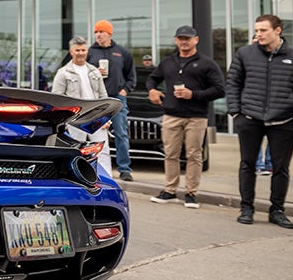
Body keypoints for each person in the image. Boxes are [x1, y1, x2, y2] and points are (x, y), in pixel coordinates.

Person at [225, 14, 293, 228]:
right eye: (257, 30)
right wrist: (236, 112)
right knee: (247, 164)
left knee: (281, 168)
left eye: (263, 30)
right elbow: (232, 83)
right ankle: (246, 208)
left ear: (278, 30)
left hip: (284, 122)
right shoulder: (245, 53)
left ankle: (277, 210)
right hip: (250, 119)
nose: (258, 34)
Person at [146, 26, 225, 208]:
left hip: (196, 117)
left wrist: (194, 95)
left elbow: (219, 89)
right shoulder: (168, 62)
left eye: (188, 38)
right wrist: (152, 90)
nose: (184, 41)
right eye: (181, 38)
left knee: (194, 155)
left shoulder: (207, 63)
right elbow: (152, 78)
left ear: (196, 40)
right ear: (176, 40)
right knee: (170, 154)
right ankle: (170, 190)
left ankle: (191, 193)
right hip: (171, 115)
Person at [88, 20, 138, 181]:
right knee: (91, 133)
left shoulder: (122, 52)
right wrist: (94, 71)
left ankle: (124, 169)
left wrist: (124, 92)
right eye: (96, 32)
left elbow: (131, 77)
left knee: (121, 133)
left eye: (101, 32)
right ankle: (93, 167)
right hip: (95, 100)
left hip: (117, 99)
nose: (98, 35)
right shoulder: (89, 52)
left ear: (110, 33)